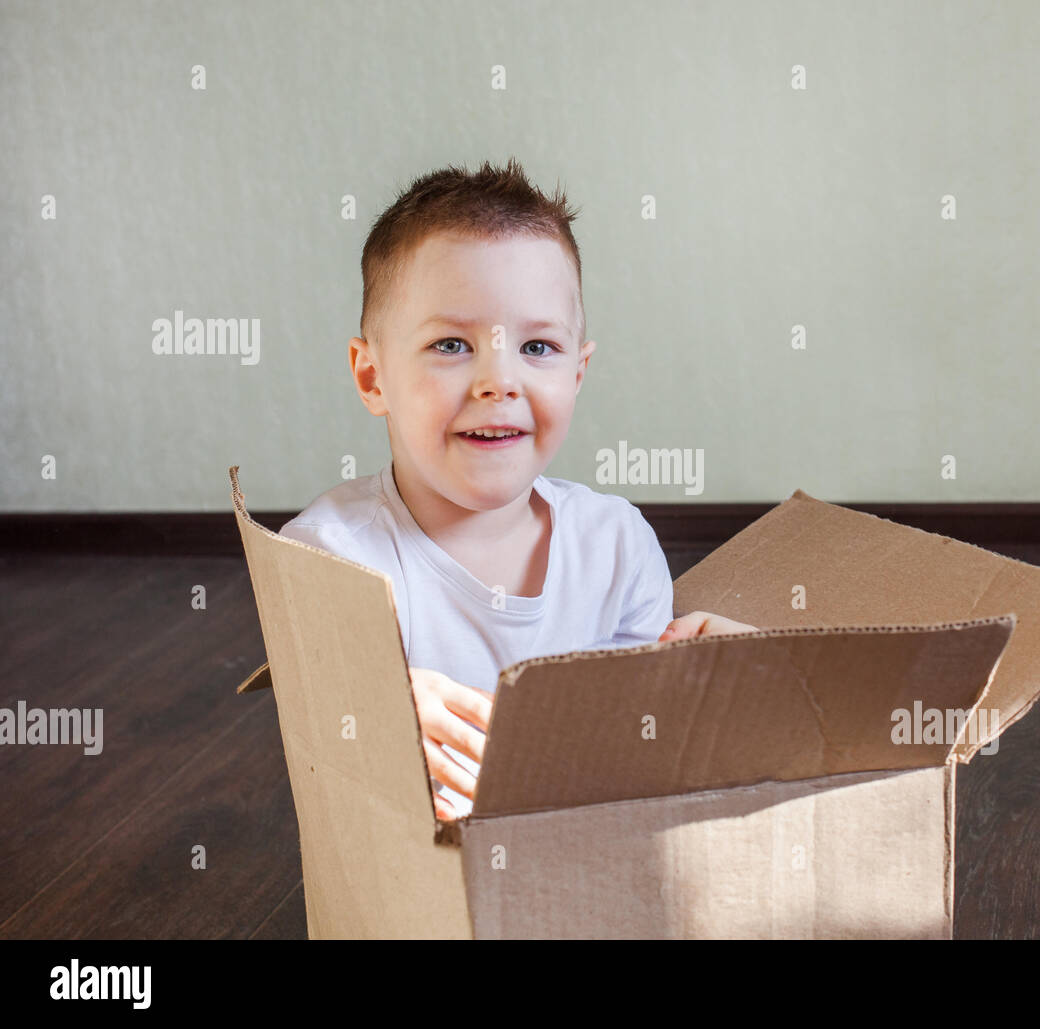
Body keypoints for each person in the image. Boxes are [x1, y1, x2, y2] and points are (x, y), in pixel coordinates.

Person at [279, 158, 754, 820]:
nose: (498, 380)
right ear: (371, 376)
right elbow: (318, 722)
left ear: (579, 372)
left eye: (536, 348)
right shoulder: (334, 555)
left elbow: (635, 743)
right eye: (451, 344)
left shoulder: (615, 544)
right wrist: (369, 708)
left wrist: (717, 675)